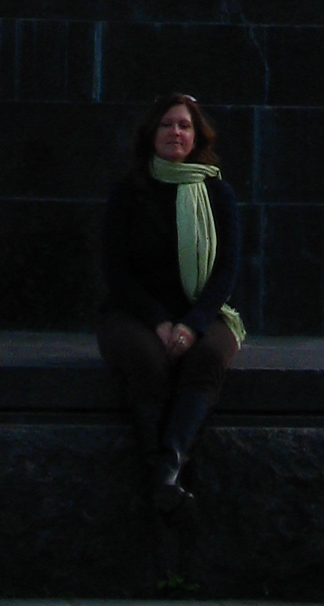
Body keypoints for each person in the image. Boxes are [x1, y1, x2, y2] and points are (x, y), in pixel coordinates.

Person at [96, 93, 244, 513]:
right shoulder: (128, 194)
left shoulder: (218, 194)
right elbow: (117, 273)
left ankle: (169, 467)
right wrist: (159, 321)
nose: (175, 132)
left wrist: (193, 324)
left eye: (184, 125)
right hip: (134, 313)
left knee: (208, 356)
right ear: (151, 134)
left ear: (197, 136)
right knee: (147, 359)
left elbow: (226, 272)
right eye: (166, 124)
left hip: (201, 312)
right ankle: (157, 468)